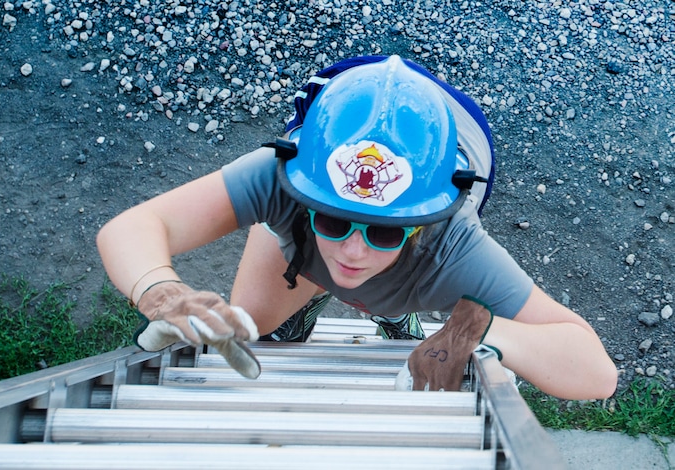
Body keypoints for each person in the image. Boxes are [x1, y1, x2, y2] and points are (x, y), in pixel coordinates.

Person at [96, 55, 617, 400]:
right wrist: (162, 293)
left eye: (385, 232)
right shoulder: (284, 175)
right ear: (302, 196)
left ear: (419, 226)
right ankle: (320, 304)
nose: (351, 251)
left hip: (450, 152)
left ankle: (398, 315)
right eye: (331, 219)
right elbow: (135, 225)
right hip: (344, 137)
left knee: (381, 293)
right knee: (254, 324)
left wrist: (475, 333)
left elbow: (597, 370)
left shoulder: (452, 241)